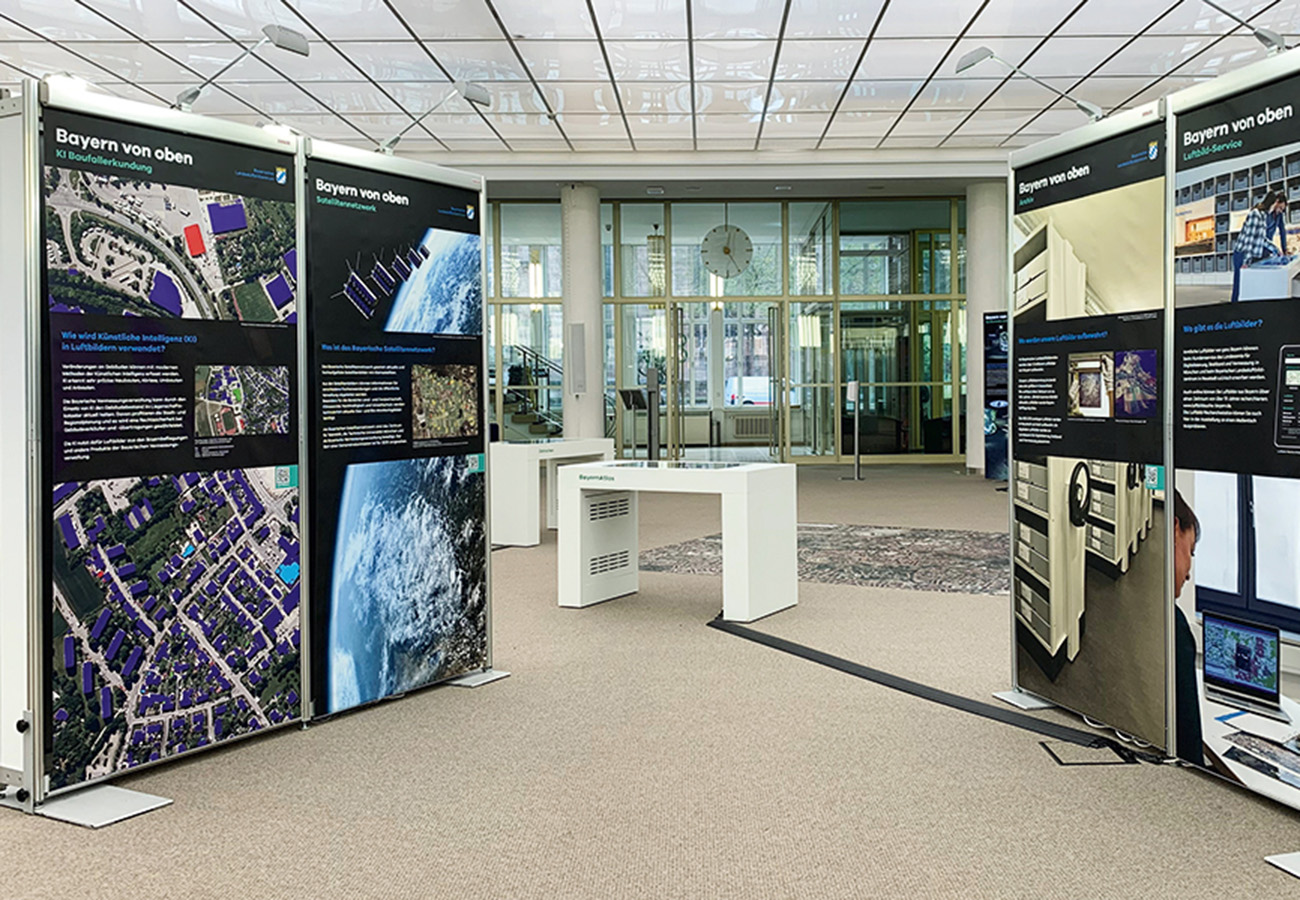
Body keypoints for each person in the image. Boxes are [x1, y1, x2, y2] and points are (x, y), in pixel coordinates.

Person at [1172, 489, 1204, 767]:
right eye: (1190, 550)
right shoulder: (1174, 627)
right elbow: (1188, 751)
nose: (1189, 572)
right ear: (1174, 530)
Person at [1231, 192, 1288, 303]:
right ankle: (1233, 307)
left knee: (1248, 285)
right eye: (1279, 207)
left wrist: (1277, 250)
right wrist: (1246, 261)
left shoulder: (1263, 216)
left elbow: (1262, 238)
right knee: (1239, 285)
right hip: (1243, 254)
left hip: (1254, 252)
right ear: (1274, 202)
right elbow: (1249, 240)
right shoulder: (1256, 214)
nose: (1279, 211)